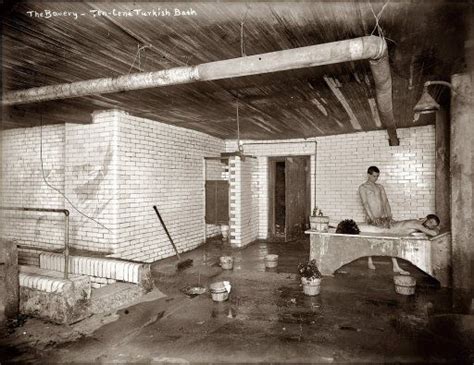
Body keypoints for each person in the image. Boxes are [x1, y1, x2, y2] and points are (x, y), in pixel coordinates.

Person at [358, 166, 407, 274]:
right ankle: (370, 260)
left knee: (390, 238)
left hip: (383, 217)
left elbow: (385, 202)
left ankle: (395, 265)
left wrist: (389, 216)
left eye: (377, 176)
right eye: (374, 176)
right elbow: (365, 204)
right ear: (368, 175)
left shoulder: (380, 187)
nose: (376, 178)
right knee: (371, 238)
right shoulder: (363, 187)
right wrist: (372, 218)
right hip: (372, 218)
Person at [358, 214, 440, 237]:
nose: (431, 225)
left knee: (357, 226)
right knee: (355, 227)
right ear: (427, 219)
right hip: (382, 228)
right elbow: (433, 233)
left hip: (385, 226)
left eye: (433, 225)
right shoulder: (417, 224)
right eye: (431, 222)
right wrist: (437, 228)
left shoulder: (418, 222)